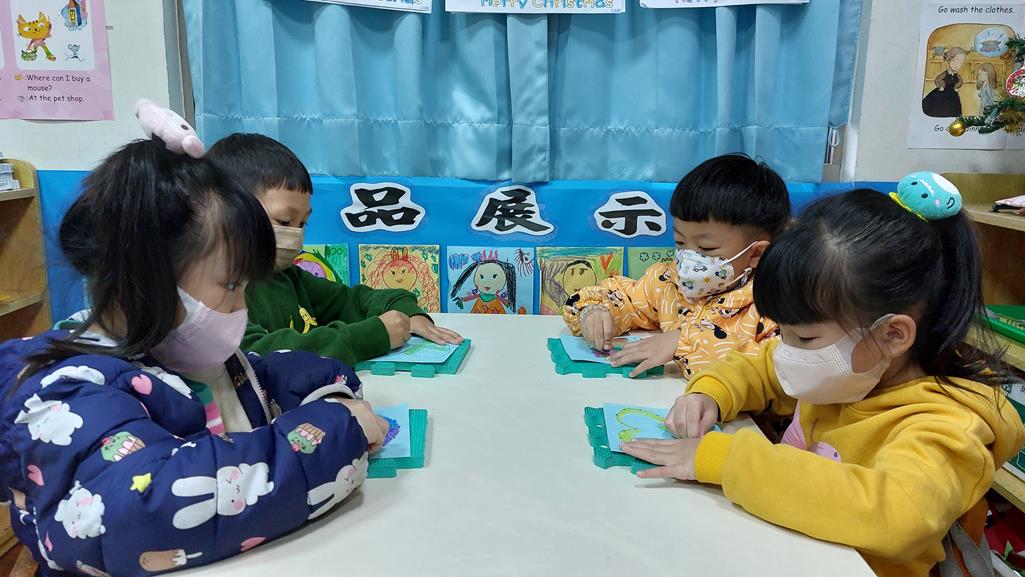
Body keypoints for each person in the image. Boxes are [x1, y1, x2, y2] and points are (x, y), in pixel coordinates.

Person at [0, 138, 389, 575]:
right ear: (145, 277)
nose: (241, 307)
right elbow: (146, 507)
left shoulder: (181, 350)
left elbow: (264, 375)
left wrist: (329, 394)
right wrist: (335, 431)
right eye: (231, 286)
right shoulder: (67, 394)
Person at [623, 185, 1025, 577]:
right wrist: (711, 393)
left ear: (892, 335)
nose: (785, 349)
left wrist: (729, 461)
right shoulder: (851, 369)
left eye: (804, 338)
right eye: (782, 331)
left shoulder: (948, 425)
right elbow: (759, 368)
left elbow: (897, 515)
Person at [206, 134, 462, 367]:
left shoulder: (287, 277)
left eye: (302, 224)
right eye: (284, 221)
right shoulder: (216, 293)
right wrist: (368, 337)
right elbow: (259, 353)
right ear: (229, 211)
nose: (295, 235)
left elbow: (353, 300)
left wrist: (410, 314)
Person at [563, 154, 790, 378]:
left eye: (706, 248)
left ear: (756, 253)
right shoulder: (668, 283)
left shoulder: (776, 304)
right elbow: (626, 298)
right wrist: (595, 312)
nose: (688, 258)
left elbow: (778, 369)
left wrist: (680, 342)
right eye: (680, 242)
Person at [922, 47, 966, 118]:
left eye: (960, 62)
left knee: (953, 110)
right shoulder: (945, 73)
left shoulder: (957, 75)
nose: (957, 64)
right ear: (949, 60)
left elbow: (960, 82)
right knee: (939, 107)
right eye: (954, 61)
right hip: (942, 93)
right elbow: (938, 79)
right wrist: (941, 86)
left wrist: (957, 86)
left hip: (953, 95)